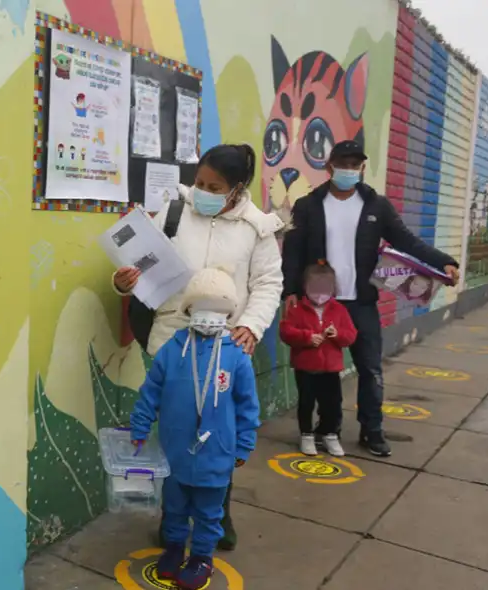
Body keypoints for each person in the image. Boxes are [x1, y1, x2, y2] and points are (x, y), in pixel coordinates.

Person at [113, 144, 283, 550]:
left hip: (224, 348)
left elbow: (267, 284)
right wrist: (123, 283)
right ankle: (172, 517)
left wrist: (251, 325)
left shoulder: (256, 228)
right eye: (200, 182)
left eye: (214, 187)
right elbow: (140, 266)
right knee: (175, 431)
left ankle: (218, 514)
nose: (202, 191)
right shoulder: (173, 212)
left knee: (218, 435)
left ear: (237, 189)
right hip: (172, 345)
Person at [282, 140, 460, 457]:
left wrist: (443, 262)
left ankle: (372, 430)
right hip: (320, 304)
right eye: (343, 164)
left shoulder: (376, 206)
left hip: (360, 302)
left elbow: (407, 241)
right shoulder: (308, 205)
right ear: (330, 166)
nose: (349, 170)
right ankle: (327, 429)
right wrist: (290, 292)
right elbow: (293, 253)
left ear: (362, 168)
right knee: (322, 372)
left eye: (355, 165)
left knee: (370, 369)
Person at [130, 266, 260, 588]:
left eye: (218, 308)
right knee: (174, 506)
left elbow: (247, 406)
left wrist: (244, 444)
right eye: (203, 307)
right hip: (174, 451)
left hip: (217, 453)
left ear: (229, 312)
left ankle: (202, 557)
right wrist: (140, 427)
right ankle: (174, 549)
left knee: (209, 511)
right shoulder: (172, 350)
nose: (209, 315)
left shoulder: (237, 356)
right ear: (188, 309)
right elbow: (151, 391)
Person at [279, 262, 357, 456]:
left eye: (325, 289)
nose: (320, 294)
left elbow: (350, 335)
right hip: (305, 367)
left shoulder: (339, 310)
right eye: (315, 288)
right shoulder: (297, 309)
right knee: (306, 403)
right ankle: (306, 435)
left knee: (332, 403)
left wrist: (337, 335)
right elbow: (286, 331)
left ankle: (330, 435)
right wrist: (306, 337)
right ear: (305, 286)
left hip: (330, 369)